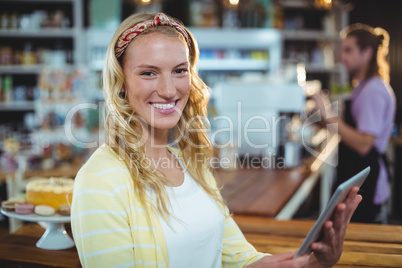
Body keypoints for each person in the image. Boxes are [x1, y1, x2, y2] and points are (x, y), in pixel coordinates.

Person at [71, 12, 361, 267]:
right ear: (121, 84)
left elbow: (237, 257)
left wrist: (313, 264)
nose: (169, 90)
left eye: (179, 71)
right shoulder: (99, 181)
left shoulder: (190, 163)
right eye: (149, 73)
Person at [312, 23, 396, 223]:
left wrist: (327, 112)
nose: (342, 57)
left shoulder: (373, 91)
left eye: (348, 50)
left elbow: (364, 144)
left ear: (367, 53)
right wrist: (323, 121)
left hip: (366, 182)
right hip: (357, 177)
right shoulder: (363, 86)